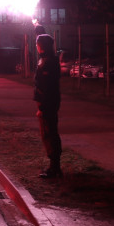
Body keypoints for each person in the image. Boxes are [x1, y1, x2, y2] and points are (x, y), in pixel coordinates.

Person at [34, 33, 63, 178]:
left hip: (48, 103)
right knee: (48, 132)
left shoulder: (48, 62)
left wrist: (42, 107)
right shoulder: (47, 60)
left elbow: (46, 88)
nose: (36, 46)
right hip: (48, 102)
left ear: (42, 46)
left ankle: (54, 167)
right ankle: (54, 165)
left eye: (38, 44)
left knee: (49, 133)